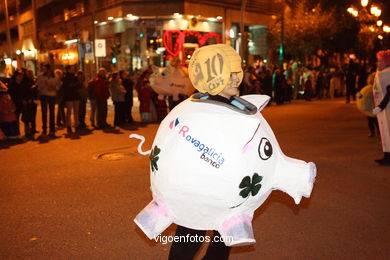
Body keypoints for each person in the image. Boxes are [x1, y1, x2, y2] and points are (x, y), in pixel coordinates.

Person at [167, 44, 247, 260]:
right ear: (214, 76)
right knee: (190, 236)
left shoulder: (238, 108)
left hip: (227, 190)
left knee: (222, 241)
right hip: (199, 190)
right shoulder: (196, 108)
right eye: (229, 75)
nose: (235, 80)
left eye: (236, 74)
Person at [372, 50, 390, 165]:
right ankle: (387, 156)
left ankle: (388, 157)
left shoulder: (388, 73)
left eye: (380, 61)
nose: (377, 63)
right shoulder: (381, 72)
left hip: (387, 107)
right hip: (383, 108)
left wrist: (381, 106)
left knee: (388, 131)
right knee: (385, 132)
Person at [37, 64, 60, 136]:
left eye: (45, 68)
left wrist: (54, 87)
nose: (44, 70)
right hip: (44, 95)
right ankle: (44, 128)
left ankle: (52, 129)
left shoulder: (55, 76)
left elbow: (59, 85)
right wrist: (45, 85)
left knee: (52, 112)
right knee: (44, 112)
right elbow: (39, 86)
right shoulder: (41, 76)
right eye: (43, 68)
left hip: (52, 95)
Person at [61, 65, 80, 133]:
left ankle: (76, 125)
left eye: (73, 69)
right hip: (69, 97)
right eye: (71, 69)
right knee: (69, 112)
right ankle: (68, 125)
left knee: (76, 112)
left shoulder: (75, 77)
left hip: (75, 96)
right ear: (68, 69)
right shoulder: (65, 77)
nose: (73, 70)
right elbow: (65, 87)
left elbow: (78, 85)